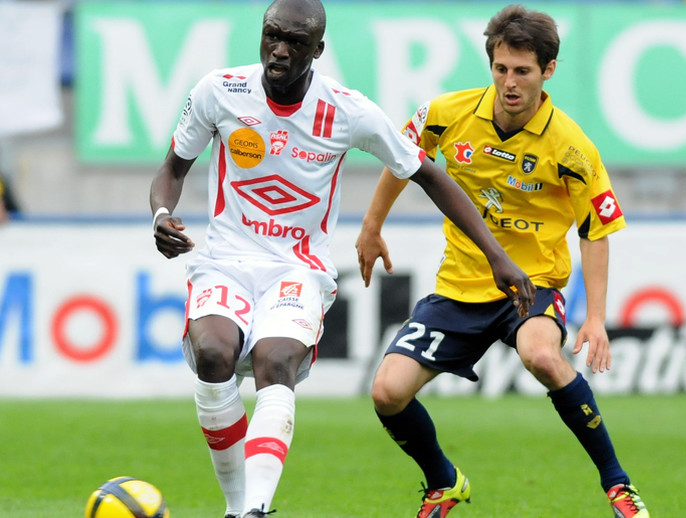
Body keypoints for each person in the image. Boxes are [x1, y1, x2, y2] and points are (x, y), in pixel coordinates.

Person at [148, 1, 534, 516]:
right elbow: (172, 169)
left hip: (297, 269)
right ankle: (238, 507)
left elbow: (430, 175)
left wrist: (497, 256)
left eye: (295, 42)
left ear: (318, 50)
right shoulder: (220, 90)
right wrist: (161, 214)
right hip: (225, 260)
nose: (279, 50)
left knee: (274, 361)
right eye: (272, 35)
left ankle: (255, 508)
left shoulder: (349, 111)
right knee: (213, 356)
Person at [355, 5, 649, 517]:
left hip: (532, 286)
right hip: (459, 287)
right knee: (386, 392)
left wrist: (597, 317)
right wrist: (371, 226)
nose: (510, 83)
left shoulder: (572, 147)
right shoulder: (445, 114)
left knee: (542, 356)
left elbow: (595, 231)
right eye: (501, 68)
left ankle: (618, 485)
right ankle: (443, 481)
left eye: (523, 71)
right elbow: (403, 160)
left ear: (548, 71)